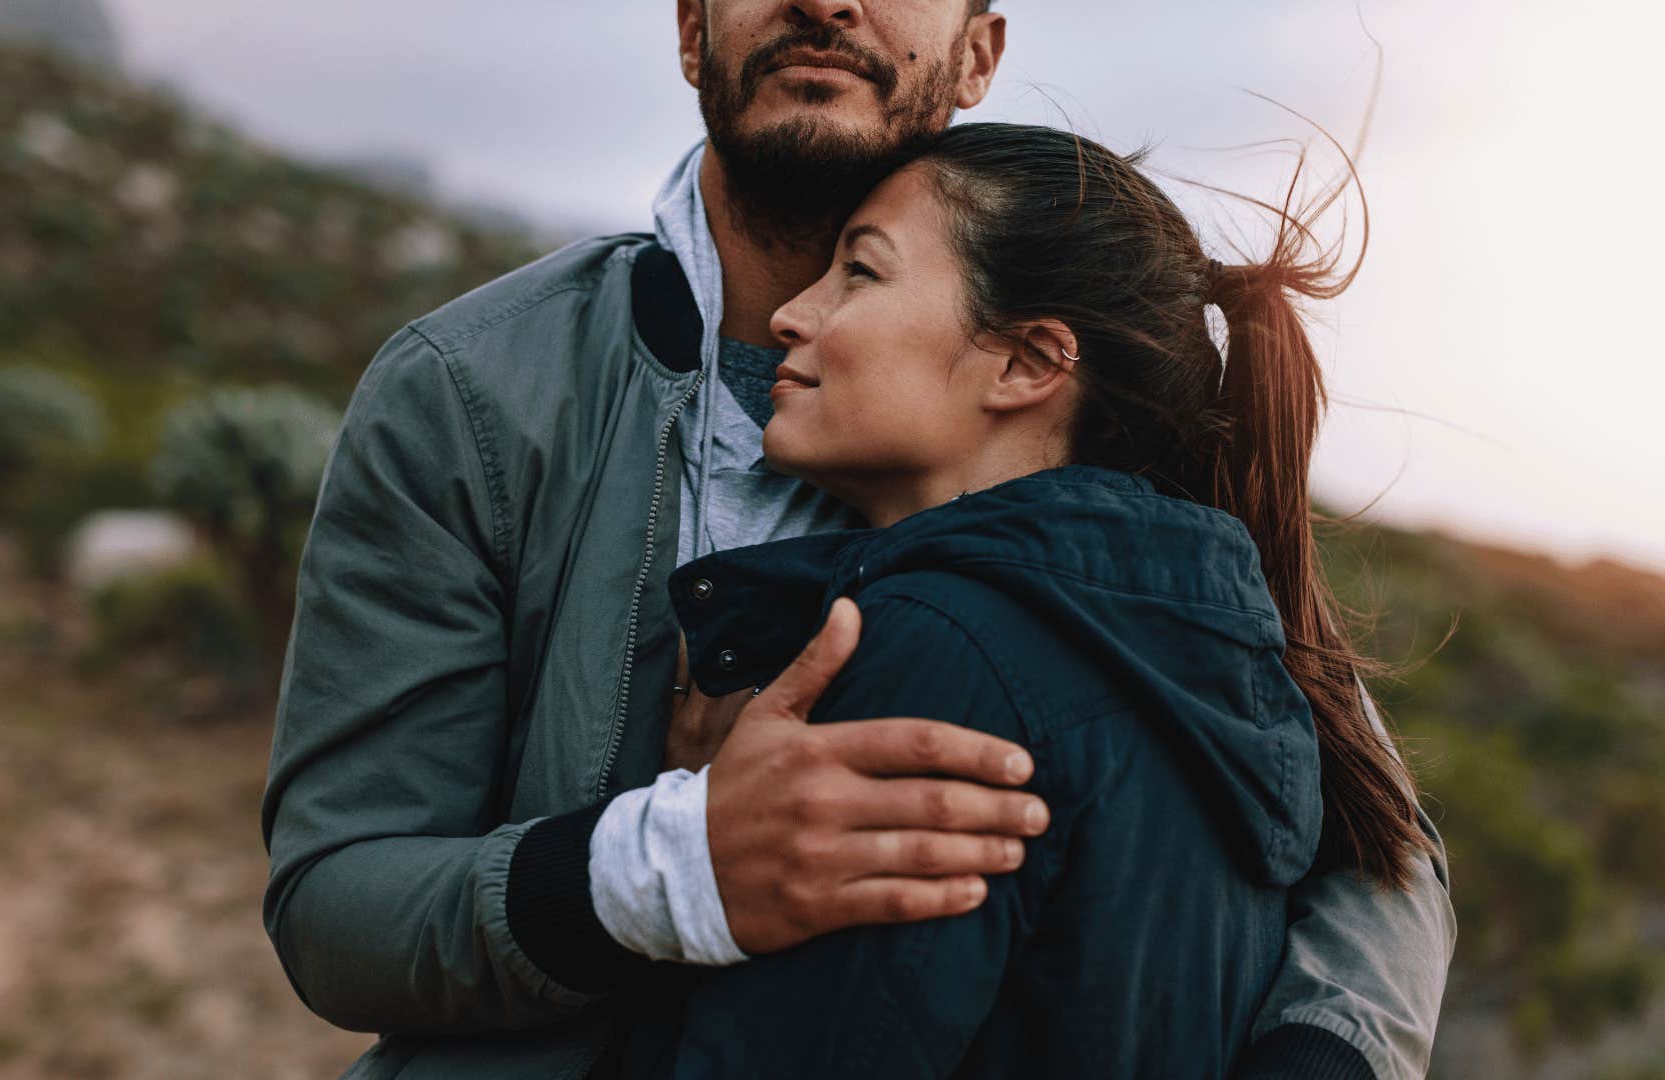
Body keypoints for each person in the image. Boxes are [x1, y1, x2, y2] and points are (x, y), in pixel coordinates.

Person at [259, 3, 1456, 1078]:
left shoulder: (1096, 437)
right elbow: (336, 904)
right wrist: (669, 865)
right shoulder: (470, 392)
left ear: (980, 50)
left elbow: (1370, 834)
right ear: (690, 31)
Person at [602, 120, 1419, 1079]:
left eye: (860, 273)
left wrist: (688, 856)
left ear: (1027, 364)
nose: (792, 312)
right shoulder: (1205, 660)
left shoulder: (944, 651)